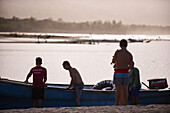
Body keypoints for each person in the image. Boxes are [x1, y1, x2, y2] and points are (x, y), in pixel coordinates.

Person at [111, 39, 133, 105]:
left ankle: (117, 103)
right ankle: (125, 103)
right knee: (125, 89)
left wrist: (113, 61)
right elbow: (131, 65)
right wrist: (127, 68)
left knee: (118, 89)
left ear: (120, 45)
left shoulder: (117, 52)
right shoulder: (129, 54)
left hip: (118, 72)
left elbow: (113, 61)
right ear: (126, 45)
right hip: (126, 72)